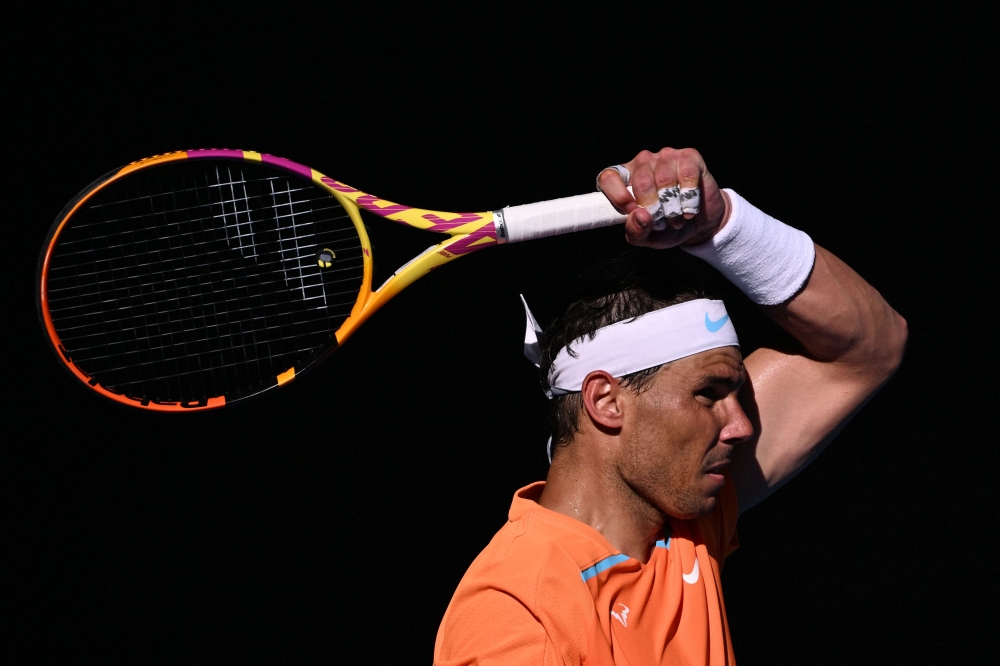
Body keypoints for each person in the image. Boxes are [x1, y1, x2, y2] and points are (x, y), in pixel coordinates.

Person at [433, 148, 907, 665]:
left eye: (735, 394)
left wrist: (724, 227)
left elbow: (872, 346)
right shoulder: (516, 613)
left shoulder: (684, 516)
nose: (743, 426)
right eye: (708, 394)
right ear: (606, 402)